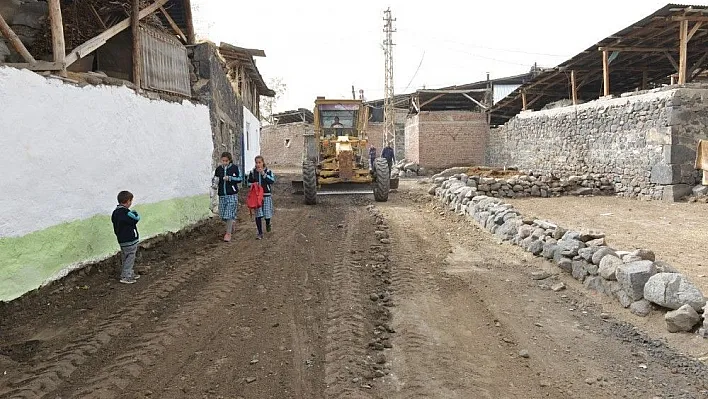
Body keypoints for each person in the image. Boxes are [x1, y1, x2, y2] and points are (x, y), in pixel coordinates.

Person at [112, 191, 141, 284]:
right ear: (127, 201)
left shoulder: (115, 212)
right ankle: (126, 276)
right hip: (129, 239)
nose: (131, 203)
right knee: (130, 257)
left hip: (122, 239)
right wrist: (135, 214)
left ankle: (128, 273)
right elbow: (135, 219)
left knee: (125, 257)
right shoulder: (125, 212)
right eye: (131, 201)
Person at [214, 152, 242, 242]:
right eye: (223, 161)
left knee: (229, 214)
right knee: (223, 215)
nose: (224, 162)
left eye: (226, 161)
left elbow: (240, 178)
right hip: (222, 195)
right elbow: (216, 179)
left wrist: (230, 178)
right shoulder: (218, 169)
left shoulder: (234, 168)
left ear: (229, 160)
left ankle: (228, 233)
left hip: (232, 194)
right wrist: (215, 184)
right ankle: (231, 223)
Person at [247, 155, 276, 240]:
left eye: (260, 162)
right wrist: (252, 185)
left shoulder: (268, 171)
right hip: (256, 197)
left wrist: (264, 174)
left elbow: (272, 181)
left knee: (267, 214)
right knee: (258, 214)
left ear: (263, 163)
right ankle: (259, 232)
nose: (258, 164)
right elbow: (248, 182)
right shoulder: (253, 172)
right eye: (256, 163)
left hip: (266, 195)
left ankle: (268, 223)